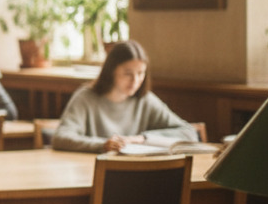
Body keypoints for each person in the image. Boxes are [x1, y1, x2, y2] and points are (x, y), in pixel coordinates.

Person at [51, 40, 197, 153]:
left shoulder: (145, 100)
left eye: (140, 73)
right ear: (111, 71)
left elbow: (189, 133)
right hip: (92, 174)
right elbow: (61, 138)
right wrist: (103, 145)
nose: (135, 81)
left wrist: (141, 139)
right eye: (128, 73)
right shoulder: (85, 97)